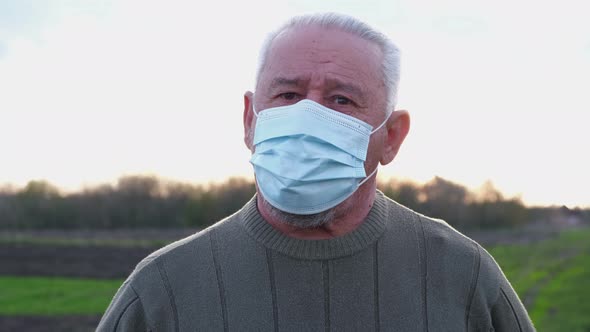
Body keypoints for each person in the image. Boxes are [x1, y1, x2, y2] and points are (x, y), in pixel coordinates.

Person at [98, 13, 535, 331]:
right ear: (250, 120)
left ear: (393, 137)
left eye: (342, 101)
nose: (307, 119)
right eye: (287, 94)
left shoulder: (461, 274)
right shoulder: (165, 288)